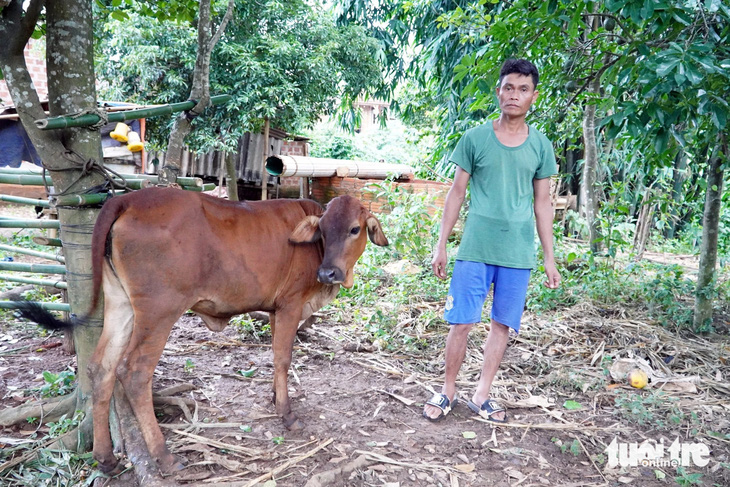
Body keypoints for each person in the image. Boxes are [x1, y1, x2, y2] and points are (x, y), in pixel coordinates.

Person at [423, 58, 560, 423]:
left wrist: (550, 257)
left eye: (523, 89)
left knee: (502, 324)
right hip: (476, 248)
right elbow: (456, 192)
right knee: (461, 322)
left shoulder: (541, 146)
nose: (515, 95)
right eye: (509, 87)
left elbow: (543, 203)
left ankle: (482, 393)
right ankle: (448, 390)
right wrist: (442, 244)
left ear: (534, 96)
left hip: (517, 250)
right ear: (498, 91)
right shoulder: (475, 138)